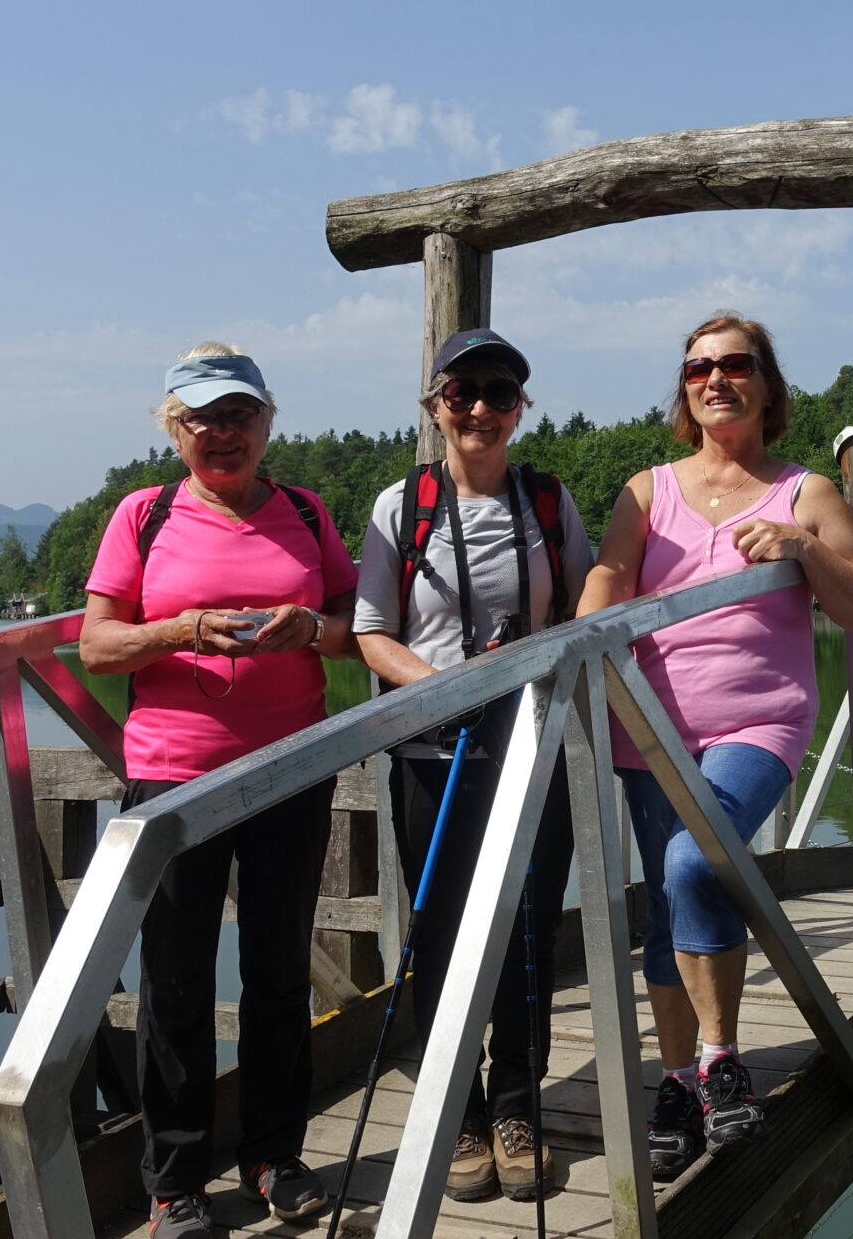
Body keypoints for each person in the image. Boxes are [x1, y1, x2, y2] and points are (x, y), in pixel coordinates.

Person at [577, 312, 853, 1180]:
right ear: (685, 390)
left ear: (767, 384)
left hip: (758, 723)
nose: (716, 378)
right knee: (669, 899)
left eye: (735, 364)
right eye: (698, 368)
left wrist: (802, 547)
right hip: (646, 724)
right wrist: (583, 628)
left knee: (693, 862)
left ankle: (720, 1061)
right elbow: (610, 573)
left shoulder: (806, 491)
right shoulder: (646, 491)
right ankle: (678, 1083)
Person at [79, 343, 361, 1239]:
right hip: (173, 774)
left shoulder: (307, 512)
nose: (222, 432)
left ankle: (275, 1155)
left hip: (290, 770)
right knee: (174, 981)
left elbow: (358, 627)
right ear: (175, 430)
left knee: (278, 971)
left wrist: (308, 627)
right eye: (201, 418)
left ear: (267, 421)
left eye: (239, 414)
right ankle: (175, 1183)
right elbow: (96, 646)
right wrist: (181, 629)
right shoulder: (144, 514)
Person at [352, 328, 595, 1205]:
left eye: (500, 392)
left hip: (528, 751)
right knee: (441, 932)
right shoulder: (401, 506)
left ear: (521, 409)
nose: (481, 408)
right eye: (463, 393)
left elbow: (585, 610)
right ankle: (457, 1108)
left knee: (529, 932)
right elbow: (370, 631)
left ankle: (518, 1105)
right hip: (434, 755)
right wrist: (444, 689)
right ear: (435, 407)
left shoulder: (548, 502)